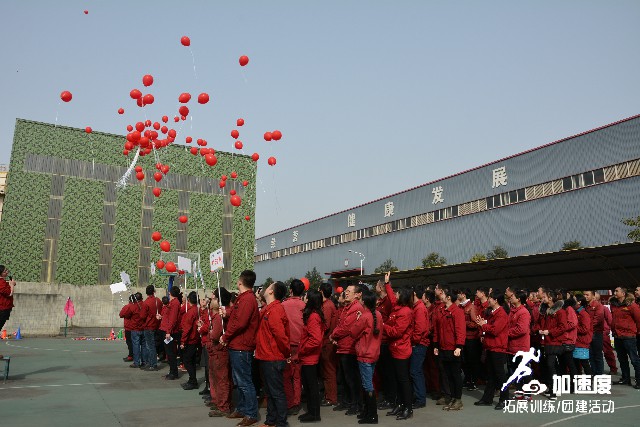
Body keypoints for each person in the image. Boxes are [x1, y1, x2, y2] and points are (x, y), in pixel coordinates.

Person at [220, 270, 261, 427]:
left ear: (240, 282)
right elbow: (237, 315)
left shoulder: (247, 299)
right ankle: (243, 409)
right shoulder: (244, 299)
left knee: (244, 381)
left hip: (241, 346)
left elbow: (241, 322)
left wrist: (226, 336)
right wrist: (228, 312)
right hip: (238, 345)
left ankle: (251, 413)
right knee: (240, 380)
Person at [256, 281, 291, 427]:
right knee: (270, 392)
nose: (266, 287)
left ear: (271, 292)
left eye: (269, 285)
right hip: (266, 356)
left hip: (272, 357)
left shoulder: (275, 310)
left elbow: (281, 336)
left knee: (276, 392)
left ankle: (281, 422)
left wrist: (286, 352)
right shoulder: (269, 308)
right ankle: (271, 421)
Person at [383, 272, 415, 421]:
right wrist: (387, 283)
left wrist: (383, 326)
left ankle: (408, 407)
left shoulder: (406, 312)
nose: (395, 295)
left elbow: (396, 332)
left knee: (403, 380)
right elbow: (390, 296)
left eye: (398, 293)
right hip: (395, 349)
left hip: (401, 350)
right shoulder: (398, 307)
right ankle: (400, 404)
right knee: (397, 379)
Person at [330, 283, 364, 416]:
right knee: (345, 377)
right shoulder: (347, 307)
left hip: (350, 348)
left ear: (357, 294)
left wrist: (333, 335)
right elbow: (341, 324)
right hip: (343, 346)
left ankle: (355, 404)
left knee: (352, 379)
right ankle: (348, 402)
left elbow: (346, 327)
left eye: (349, 291)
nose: (346, 292)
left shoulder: (355, 308)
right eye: (346, 291)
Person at [351, 289, 382, 424]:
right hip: (374, 353)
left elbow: (353, 332)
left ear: (364, 301)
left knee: (367, 384)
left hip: (364, 354)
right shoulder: (378, 315)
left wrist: (358, 318)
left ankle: (372, 415)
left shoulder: (365, 316)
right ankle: (368, 412)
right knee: (368, 383)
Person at [475, 290, 509, 410]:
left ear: (496, 300)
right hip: (490, 346)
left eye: (490, 298)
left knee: (500, 375)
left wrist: (483, 325)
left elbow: (495, 330)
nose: (488, 300)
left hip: (498, 348)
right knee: (491, 375)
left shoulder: (501, 314)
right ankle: (487, 398)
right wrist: (484, 325)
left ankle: (504, 399)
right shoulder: (492, 313)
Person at [433, 286, 466, 412]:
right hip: (443, 347)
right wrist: (436, 345)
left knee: (455, 374)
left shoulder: (456, 312)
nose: (440, 295)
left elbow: (460, 330)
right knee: (448, 375)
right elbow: (437, 329)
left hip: (453, 348)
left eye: (442, 294)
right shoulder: (441, 310)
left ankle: (458, 399)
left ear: (448, 297)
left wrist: (459, 346)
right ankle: (452, 397)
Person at [298, 289, 326, 423]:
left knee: (311, 386)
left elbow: (315, 339)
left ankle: (314, 413)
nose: (304, 298)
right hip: (308, 356)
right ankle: (311, 411)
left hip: (310, 356)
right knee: (309, 386)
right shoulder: (313, 315)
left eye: (306, 296)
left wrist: (303, 349)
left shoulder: (313, 316)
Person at [207, 288, 234, 417]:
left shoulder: (220, 317)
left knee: (222, 379)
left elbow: (215, 334)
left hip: (220, 350)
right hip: (217, 351)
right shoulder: (220, 315)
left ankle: (223, 405)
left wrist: (210, 332)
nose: (211, 300)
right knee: (217, 378)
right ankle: (219, 401)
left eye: (214, 298)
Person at [537, 288, 567, 400]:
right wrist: (539, 330)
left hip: (555, 341)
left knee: (551, 365)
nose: (542, 298)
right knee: (548, 366)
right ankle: (551, 388)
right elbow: (539, 324)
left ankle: (555, 390)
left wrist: (550, 331)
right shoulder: (544, 311)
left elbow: (563, 327)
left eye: (544, 297)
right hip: (545, 341)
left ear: (550, 298)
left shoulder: (560, 312)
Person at [282, 279, 306, 415]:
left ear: (290, 290)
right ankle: (296, 401)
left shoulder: (284, 305)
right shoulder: (304, 305)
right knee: (297, 375)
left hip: (287, 343)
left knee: (287, 375)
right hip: (301, 343)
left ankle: (289, 401)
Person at [609, 286, 640, 389]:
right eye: (615, 290)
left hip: (629, 337)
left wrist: (636, 332)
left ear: (623, 293)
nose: (614, 292)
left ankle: (639, 380)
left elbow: (638, 320)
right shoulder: (614, 305)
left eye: (617, 291)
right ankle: (625, 379)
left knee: (634, 360)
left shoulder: (631, 305)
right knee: (622, 359)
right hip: (617, 336)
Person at [505, 289, 531, 397]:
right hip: (512, 346)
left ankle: (528, 392)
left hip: (521, 346)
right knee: (516, 369)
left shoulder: (523, 312)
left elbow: (521, 329)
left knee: (523, 369)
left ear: (519, 299)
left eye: (512, 297)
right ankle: (519, 390)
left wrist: (506, 332)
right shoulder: (512, 311)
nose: (510, 298)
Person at [374, 279, 394, 410]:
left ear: (380, 288)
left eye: (376, 285)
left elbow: (393, 301)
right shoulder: (379, 302)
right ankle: (386, 396)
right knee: (382, 372)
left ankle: (390, 398)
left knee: (388, 373)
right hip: (379, 340)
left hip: (386, 340)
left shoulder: (388, 301)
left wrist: (387, 284)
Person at [410, 284, 430, 408]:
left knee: (415, 371)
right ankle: (419, 396)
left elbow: (420, 328)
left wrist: (414, 341)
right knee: (416, 371)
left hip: (419, 344)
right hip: (418, 343)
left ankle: (420, 398)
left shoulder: (419, 308)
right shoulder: (417, 307)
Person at [457, 288, 481, 391]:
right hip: (464, 338)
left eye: (459, 293)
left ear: (463, 294)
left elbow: (476, 323)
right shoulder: (461, 307)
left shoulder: (471, 307)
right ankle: (467, 379)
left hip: (471, 338)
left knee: (472, 361)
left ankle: (473, 381)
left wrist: (463, 322)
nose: (458, 295)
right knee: (464, 361)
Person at [319, 283, 338, 407]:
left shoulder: (327, 306)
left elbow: (324, 325)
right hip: (327, 341)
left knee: (329, 371)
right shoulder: (329, 305)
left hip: (327, 342)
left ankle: (331, 397)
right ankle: (329, 395)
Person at [160, 286, 182, 380]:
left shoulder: (175, 303)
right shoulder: (173, 303)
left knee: (170, 353)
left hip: (169, 331)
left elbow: (172, 319)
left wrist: (168, 331)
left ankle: (174, 372)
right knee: (169, 352)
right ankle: (172, 371)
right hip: (167, 329)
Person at [180, 291, 200, 390]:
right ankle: (192, 379)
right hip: (195, 338)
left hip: (190, 339)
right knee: (190, 360)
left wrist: (183, 341)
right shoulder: (197, 310)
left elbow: (187, 328)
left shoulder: (191, 312)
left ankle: (193, 380)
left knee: (187, 360)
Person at [142, 285, 162, 372]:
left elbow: (142, 316)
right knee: (153, 345)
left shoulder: (146, 303)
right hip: (157, 325)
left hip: (149, 325)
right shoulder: (158, 301)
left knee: (150, 346)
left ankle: (152, 364)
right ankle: (151, 362)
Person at [584, 290, 604, 375]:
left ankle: (599, 374)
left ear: (593, 296)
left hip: (596, 333)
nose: (585, 296)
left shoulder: (598, 306)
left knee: (597, 355)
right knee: (590, 355)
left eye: (587, 295)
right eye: (584, 295)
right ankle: (593, 373)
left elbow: (598, 319)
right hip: (588, 333)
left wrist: (587, 327)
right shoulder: (585, 306)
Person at [573, 294, 593, 375]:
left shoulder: (584, 314)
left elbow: (585, 329)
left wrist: (573, 327)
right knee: (576, 362)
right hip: (577, 340)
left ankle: (589, 378)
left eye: (573, 300)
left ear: (579, 302)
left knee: (584, 362)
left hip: (582, 341)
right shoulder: (576, 312)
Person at [0, 266, 16, 332]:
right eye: (4, 271)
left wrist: (11, 284)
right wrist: (12, 285)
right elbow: (9, 293)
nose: (7, 272)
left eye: (7, 270)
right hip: (3, 308)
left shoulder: (3, 282)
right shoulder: (1, 282)